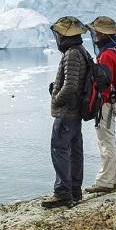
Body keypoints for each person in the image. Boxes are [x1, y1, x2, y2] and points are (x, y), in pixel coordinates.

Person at [42, 16, 89, 208]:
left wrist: (55, 98)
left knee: (60, 149)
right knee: (75, 150)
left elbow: (70, 86)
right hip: (76, 111)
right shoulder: (81, 51)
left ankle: (62, 193)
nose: (58, 36)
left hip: (67, 112)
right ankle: (75, 191)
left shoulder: (71, 54)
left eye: (60, 33)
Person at [84, 16, 116, 193]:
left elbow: (103, 83)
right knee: (110, 140)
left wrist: (97, 100)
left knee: (105, 141)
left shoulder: (107, 54)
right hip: (113, 102)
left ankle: (104, 182)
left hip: (106, 103)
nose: (96, 34)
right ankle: (113, 178)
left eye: (98, 31)